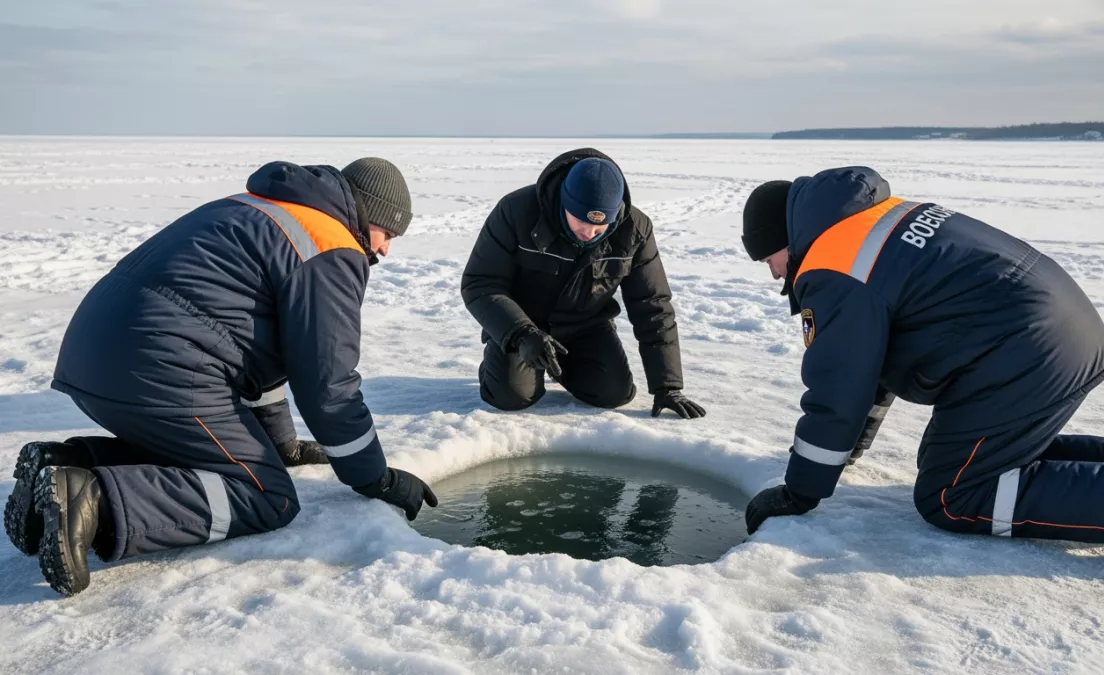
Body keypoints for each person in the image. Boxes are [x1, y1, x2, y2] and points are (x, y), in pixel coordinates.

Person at [4, 157, 439, 597]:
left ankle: (68, 464)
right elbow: (329, 386)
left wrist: (280, 445)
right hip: (162, 366)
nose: (386, 250)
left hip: (92, 355)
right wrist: (374, 477)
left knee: (210, 458)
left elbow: (258, 350)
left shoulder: (258, 208)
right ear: (367, 214)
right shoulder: (329, 244)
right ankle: (93, 499)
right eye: (388, 234)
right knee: (266, 495)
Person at [738, 165, 1104, 565]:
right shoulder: (864, 220)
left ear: (784, 239)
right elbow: (870, 368)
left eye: (767, 258)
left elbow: (839, 387)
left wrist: (801, 490)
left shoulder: (832, 263)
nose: (774, 272)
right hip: (1051, 326)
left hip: (1021, 348)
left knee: (952, 494)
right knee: (953, 459)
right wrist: (850, 448)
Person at [460, 148, 705, 420]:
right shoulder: (515, 211)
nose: (589, 233)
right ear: (564, 202)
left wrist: (667, 385)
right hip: (523, 327)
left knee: (613, 394)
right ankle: (501, 364)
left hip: (585, 326)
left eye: (599, 227)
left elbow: (652, 304)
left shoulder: (635, 229)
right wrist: (520, 334)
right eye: (580, 221)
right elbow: (480, 283)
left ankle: (560, 366)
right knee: (511, 396)